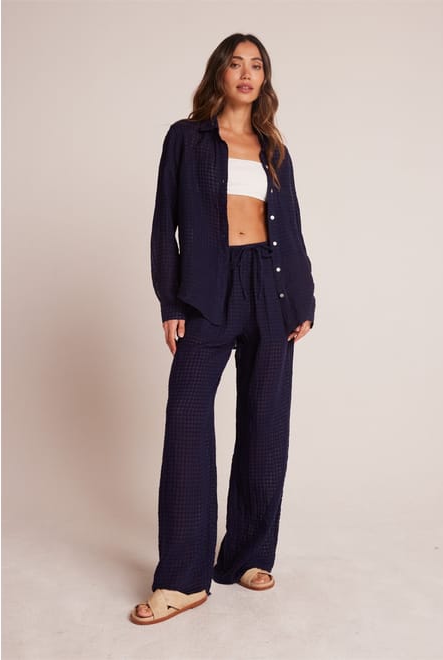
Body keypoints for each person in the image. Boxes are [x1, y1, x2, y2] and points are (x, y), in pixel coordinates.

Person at [130, 33, 316, 625]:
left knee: (266, 422)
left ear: (264, 80)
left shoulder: (274, 149)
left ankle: (246, 556)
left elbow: (292, 226)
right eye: (236, 63)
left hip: (272, 288)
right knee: (187, 418)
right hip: (207, 292)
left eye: (256, 65)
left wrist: (303, 299)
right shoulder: (186, 138)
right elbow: (164, 222)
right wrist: (170, 301)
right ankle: (184, 578)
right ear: (219, 73)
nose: (246, 73)